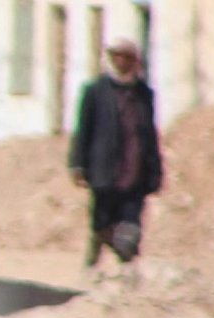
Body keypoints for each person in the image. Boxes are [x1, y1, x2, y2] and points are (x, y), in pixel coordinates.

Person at [69, 37, 162, 268]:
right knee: (102, 225)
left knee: (130, 229)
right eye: (117, 56)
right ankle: (92, 270)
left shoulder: (144, 94)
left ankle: (126, 275)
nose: (121, 62)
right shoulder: (95, 92)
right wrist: (78, 164)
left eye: (126, 57)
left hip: (135, 174)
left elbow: (150, 135)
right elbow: (83, 130)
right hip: (104, 172)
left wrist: (155, 171)